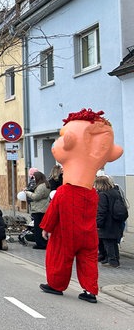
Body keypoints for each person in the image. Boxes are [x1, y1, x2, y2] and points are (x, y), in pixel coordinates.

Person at [40, 109, 123, 304]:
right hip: (88, 233)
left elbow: (54, 212)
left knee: (59, 257)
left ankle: (56, 285)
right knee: (88, 261)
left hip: (65, 231)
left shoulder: (64, 192)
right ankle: (90, 291)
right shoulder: (93, 193)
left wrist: (46, 227)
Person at [95, 175, 127, 268]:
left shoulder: (102, 195)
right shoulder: (115, 192)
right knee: (113, 242)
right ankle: (115, 259)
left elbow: (102, 210)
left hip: (107, 223)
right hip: (115, 221)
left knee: (108, 242)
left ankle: (113, 262)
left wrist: (98, 223)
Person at [24, 171, 50, 249]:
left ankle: (40, 243)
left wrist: (27, 193)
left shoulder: (41, 186)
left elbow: (36, 196)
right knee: (42, 226)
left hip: (39, 209)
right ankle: (43, 242)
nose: (33, 179)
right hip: (43, 207)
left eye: (34, 177)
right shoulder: (46, 184)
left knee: (38, 227)